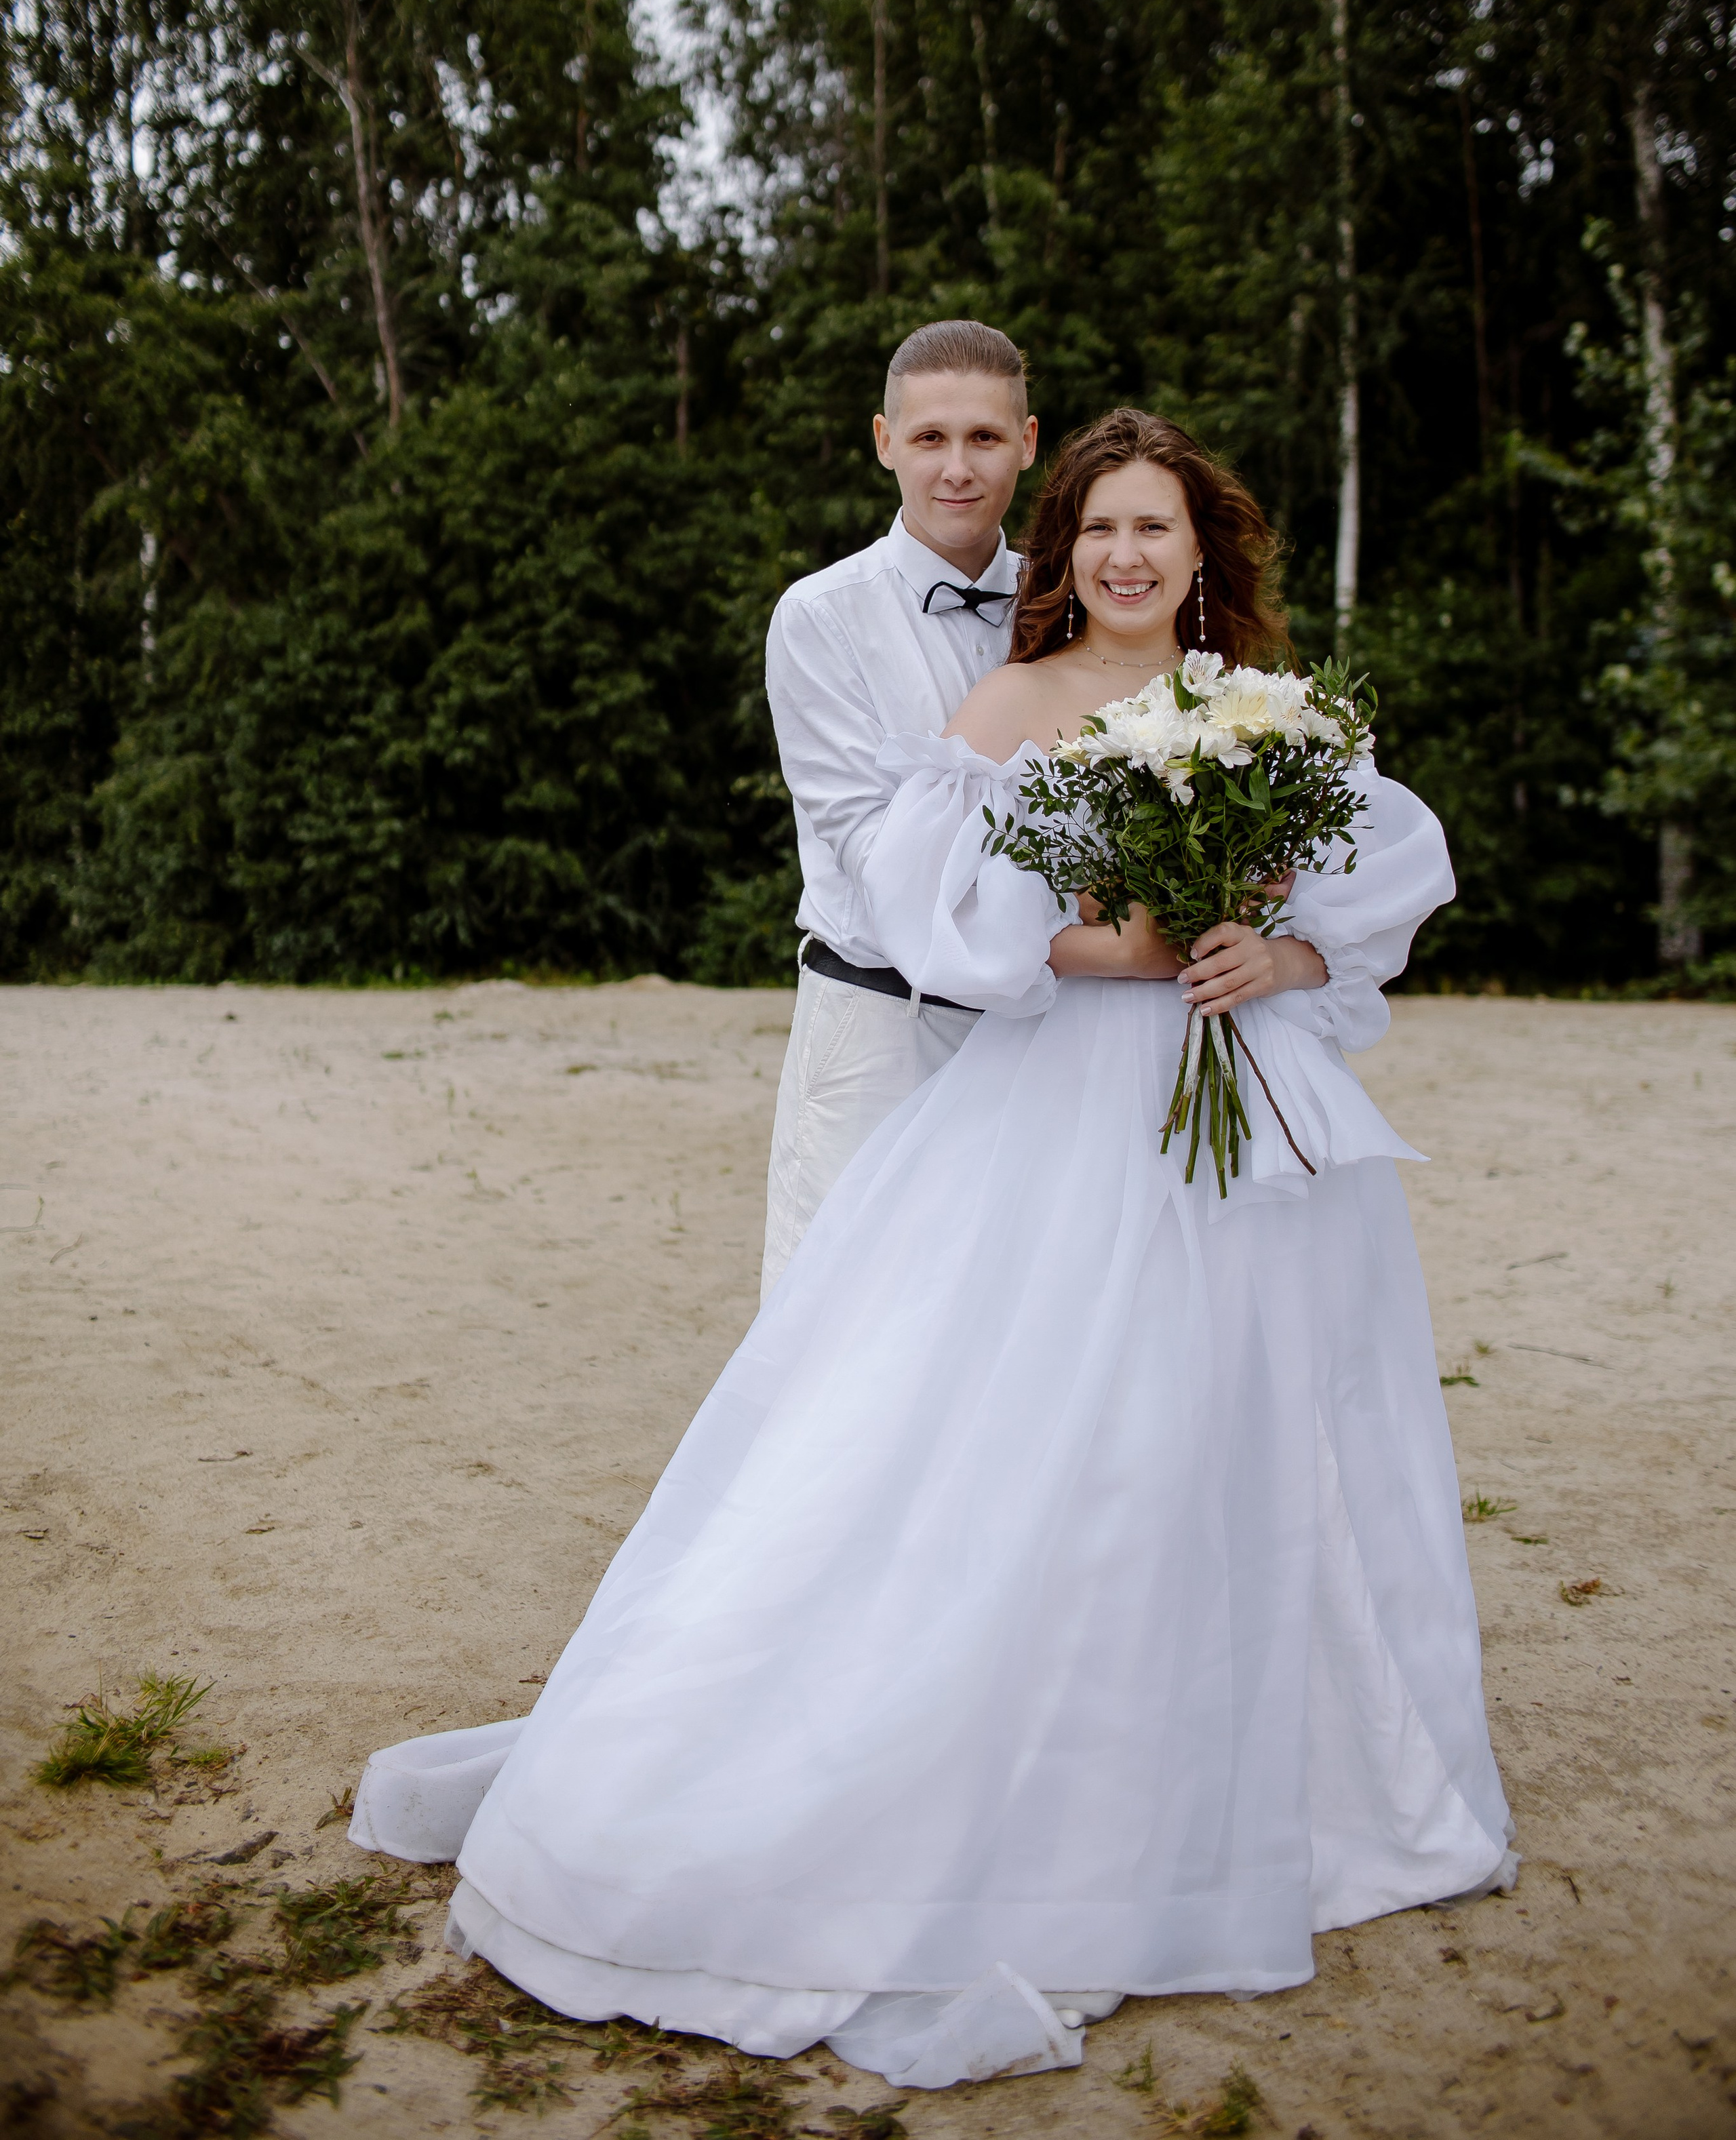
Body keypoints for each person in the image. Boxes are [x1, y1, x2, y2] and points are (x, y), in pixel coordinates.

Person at [350, 408, 1513, 2093]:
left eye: (1156, 532)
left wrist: (1283, 954)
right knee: (1061, 1431)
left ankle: (1271, 1770)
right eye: (1099, 530)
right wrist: (1143, 943)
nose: (1127, 558)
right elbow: (947, 920)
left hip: (1249, 1115)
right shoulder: (1009, 707)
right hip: (1063, 1116)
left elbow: (1366, 878)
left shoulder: (1261, 710)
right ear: (1065, 550)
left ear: (1204, 556)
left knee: (1250, 1420)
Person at [759, 317, 1037, 1300]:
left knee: (1010, 1324)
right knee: (837, 1326)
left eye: (984, 438)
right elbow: (878, 860)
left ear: (1028, 443)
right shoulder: (821, 617)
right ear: (885, 443)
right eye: (930, 438)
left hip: (1041, 1037)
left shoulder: (1075, 603)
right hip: (879, 1025)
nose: (957, 468)